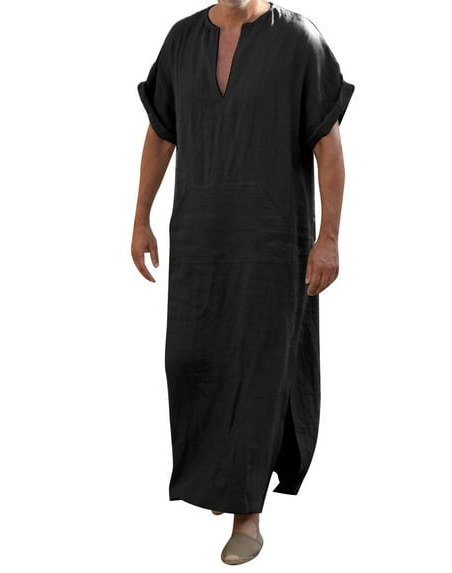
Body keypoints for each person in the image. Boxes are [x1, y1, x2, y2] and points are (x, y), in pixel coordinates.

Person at [131, 0, 354, 565]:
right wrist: (140, 218)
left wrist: (328, 237)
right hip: (200, 240)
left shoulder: (298, 41)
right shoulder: (182, 40)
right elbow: (161, 134)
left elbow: (328, 146)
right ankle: (220, 479)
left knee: (256, 372)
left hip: (270, 241)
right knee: (193, 361)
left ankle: (247, 514)